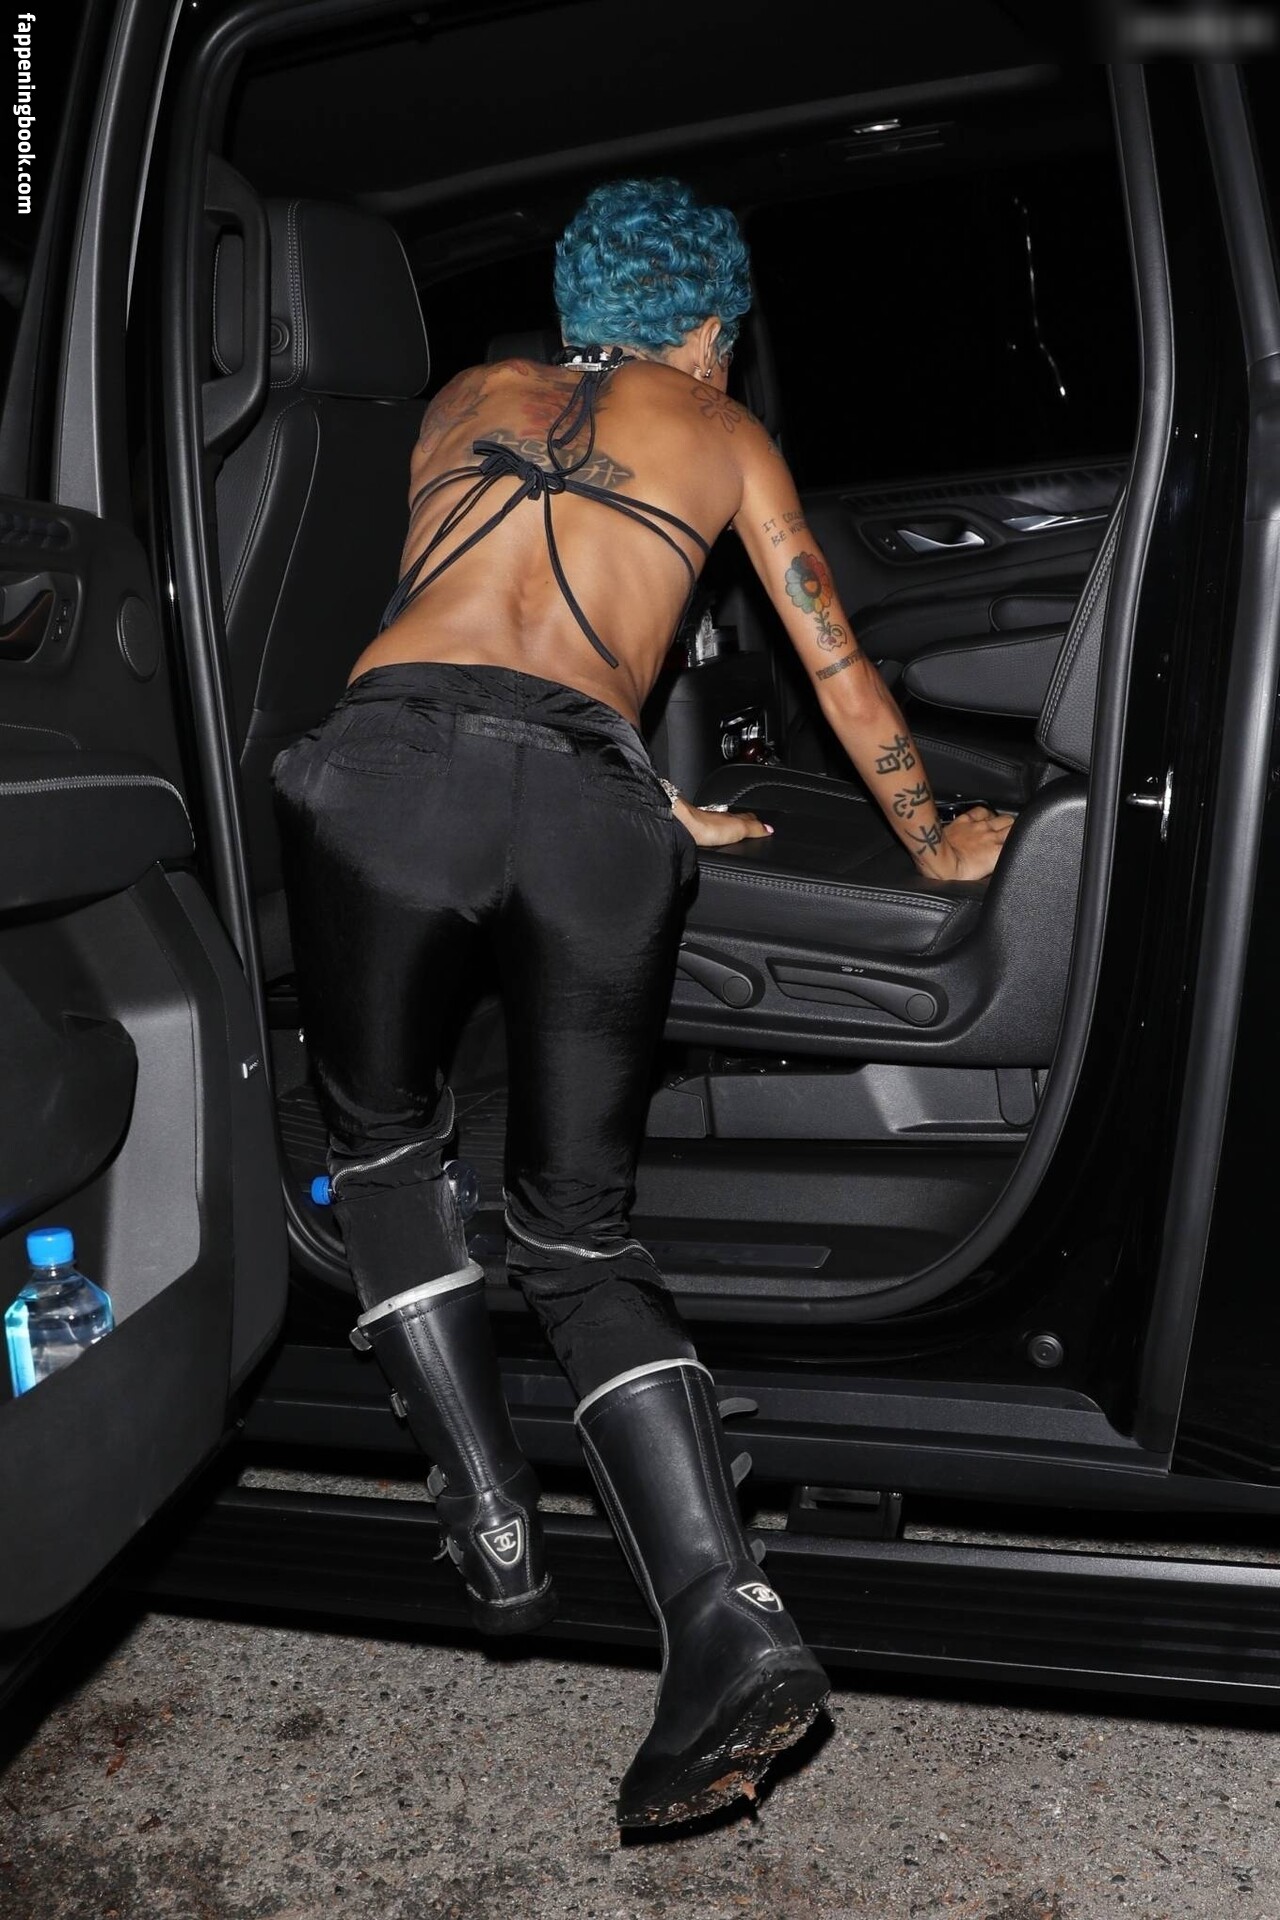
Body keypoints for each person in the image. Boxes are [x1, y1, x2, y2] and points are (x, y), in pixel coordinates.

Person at [270, 177, 1012, 1829]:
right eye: (725, 339)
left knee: (380, 1143)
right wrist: (932, 835)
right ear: (707, 327)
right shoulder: (722, 431)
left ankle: (488, 1514)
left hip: (385, 778)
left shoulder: (466, 395)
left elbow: (469, 627)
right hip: (588, 812)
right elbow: (829, 659)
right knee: (579, 1235)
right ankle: (724, 1623)